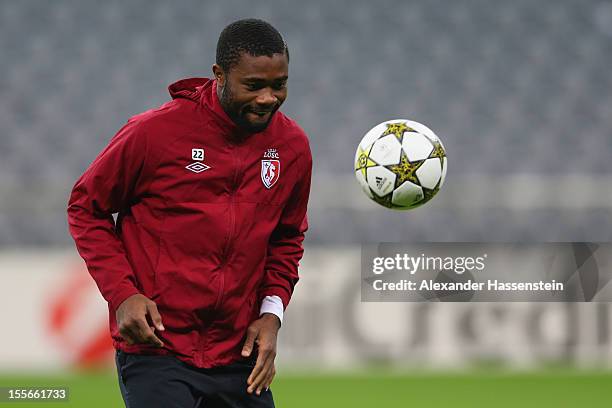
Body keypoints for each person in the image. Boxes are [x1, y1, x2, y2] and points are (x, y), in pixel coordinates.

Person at [67, 18, 311, 408]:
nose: (268, 97)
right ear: (219, 75)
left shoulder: (292, 146)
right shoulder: (155, 133)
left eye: (278, 84)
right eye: (254, 85)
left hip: (238, 354)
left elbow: (287, 238)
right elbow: (85, 206)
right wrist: (123, 294)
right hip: (158, 349)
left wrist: (271, 313)